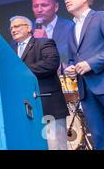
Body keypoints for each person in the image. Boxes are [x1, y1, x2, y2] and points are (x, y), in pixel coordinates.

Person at [63, 0, 104, 150]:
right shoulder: (71, 29)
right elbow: (72, 59)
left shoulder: (102, 17)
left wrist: (91, 63)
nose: (66, 1)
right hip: (86, 92)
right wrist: (70, 68)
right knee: (100, 140)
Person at [10, 15, 69, 150]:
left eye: (17, 26)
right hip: (25, 109)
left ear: (29, 28)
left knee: (56, 146)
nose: (13, 30)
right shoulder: (11, 51)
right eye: (11, 28)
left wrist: (21, 72)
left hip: (48, 106)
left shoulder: (44, 42)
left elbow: (51, 64)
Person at [31, 0, 74, 74]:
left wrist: (46, 42)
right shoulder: (27, 29)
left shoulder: (70, 27)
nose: (39, 10)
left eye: (44, 5)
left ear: (56, 7)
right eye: (35, 6)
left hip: (63, 79)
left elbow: (76, 56)